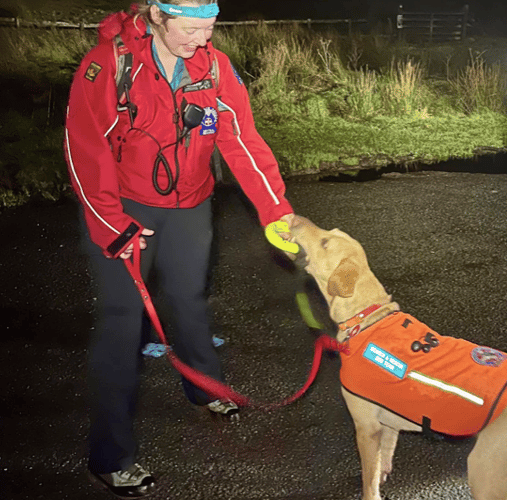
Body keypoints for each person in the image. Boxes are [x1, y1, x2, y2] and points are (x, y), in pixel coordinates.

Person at [63, 1, 297, 496]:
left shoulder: (214, 65)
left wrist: (276, 211)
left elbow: (241, 139)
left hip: (191, 204)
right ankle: (110, 456)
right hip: (123, 211)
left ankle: (205, 388)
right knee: (123, 323)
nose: (201, 40)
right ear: (156, 15)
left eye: (209, 28)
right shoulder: (109, 63)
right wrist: (112, 223)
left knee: (190, 300)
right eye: (190, 29)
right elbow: (86, 148)